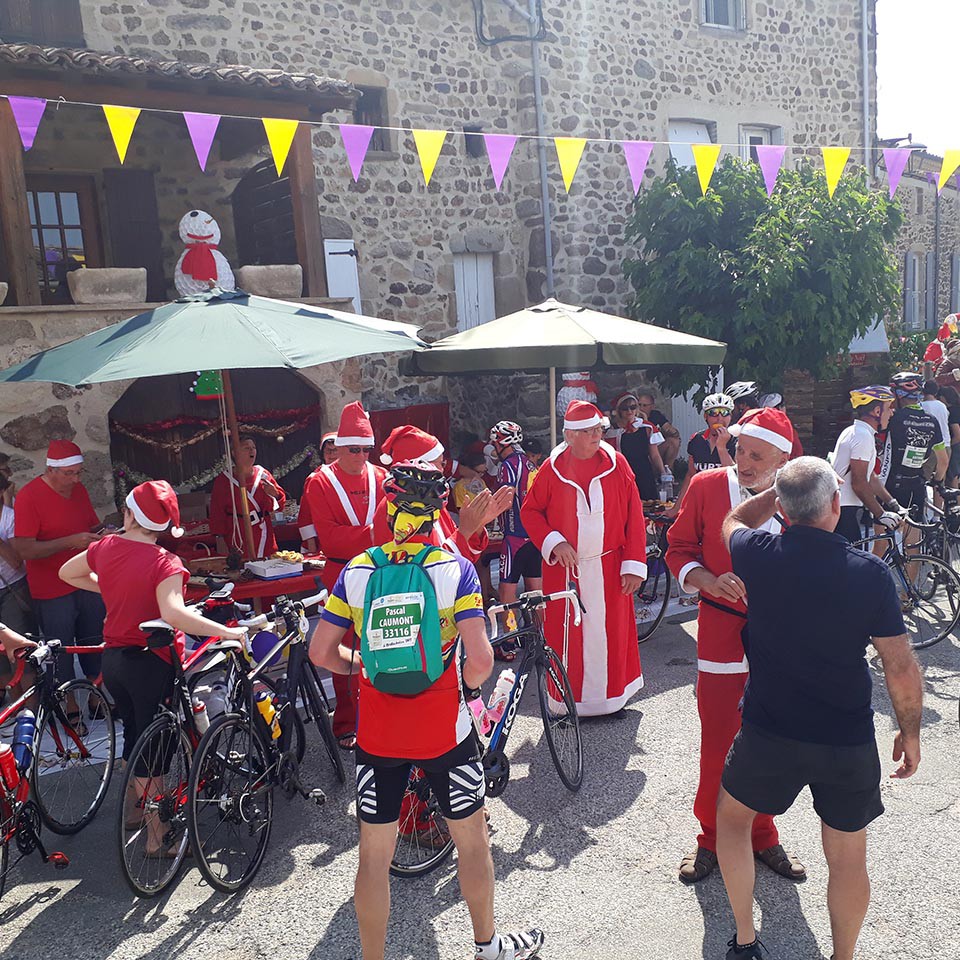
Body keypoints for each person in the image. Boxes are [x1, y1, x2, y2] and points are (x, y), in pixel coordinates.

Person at [309, 461, 544, 960]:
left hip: (377, 734)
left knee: (374, 857)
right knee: (472, 841)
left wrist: (363, 667)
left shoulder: (359, 570)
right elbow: (481, 659)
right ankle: (487, 947)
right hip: (445, 730)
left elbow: (320, 653)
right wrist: (463, 685)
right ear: (437, 513)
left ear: (387, 510)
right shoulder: (452, 569)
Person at [716, 457, 923, 960]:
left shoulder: (758, 553)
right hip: (845, 738)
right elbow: (898, 664)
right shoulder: (870, 574)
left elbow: (732, 521)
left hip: (769, 730)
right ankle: (843, 957)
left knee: (732, 821)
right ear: (836, 504)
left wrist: (777, 493)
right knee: (848, 857)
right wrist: (910, 732)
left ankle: (745, 940)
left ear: (783, 513)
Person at [59, 480, 245, 855]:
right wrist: (227, 630)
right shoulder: (165, 562)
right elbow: (173, 613)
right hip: (151, 662)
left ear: (128, 514)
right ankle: (157, 839)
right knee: (155, 753)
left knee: (135, 734)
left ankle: (133, 812)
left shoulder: (106, 546)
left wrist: (113, 587)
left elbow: (68, 573)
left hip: (114, 661)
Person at [665, 407, 805, 885]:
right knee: (719, 739)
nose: (743, 461)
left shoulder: (800, 497)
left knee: (771, 740)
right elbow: (677, 550)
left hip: (779, 642)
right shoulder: (706, 488)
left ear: (783, 459)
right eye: (740, 449)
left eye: (756, 455)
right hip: (721, 635)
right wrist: (706, 578)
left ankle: (763, 833)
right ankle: (709, 837)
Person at [521, 400, 647, 716]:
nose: (596, 436)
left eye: (598, 430)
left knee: (612, 635)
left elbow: (634, 515)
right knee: (567, 640)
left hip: (610, 565)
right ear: (571, 435)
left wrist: (633, 564)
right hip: (566, 571)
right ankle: (566, 703)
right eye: (589, 432)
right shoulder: (551, 470)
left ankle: (612, 699)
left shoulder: (617, 464)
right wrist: (555, 542)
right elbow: (531, 511)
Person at [299, 401, 386, 751]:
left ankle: (382, 712)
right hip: (341, 570)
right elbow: (330, 537)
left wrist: (372, 534)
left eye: (367, 449)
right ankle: (347, 721)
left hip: (379, 567)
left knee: (381, 640)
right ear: (338, 448)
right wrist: (376, 532)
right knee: (344, 646)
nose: (362, 456)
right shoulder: (319, 482)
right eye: (355, 449)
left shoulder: (381, 476)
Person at [13, 440, 104, 706]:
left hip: (85, 579)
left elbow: (92, 524)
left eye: (79, 472)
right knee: (60, 646)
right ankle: (70, 703)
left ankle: (95, 697)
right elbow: (24, 549)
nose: (76, 478)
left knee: (93, 637)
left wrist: (105, 534)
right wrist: (70, 542)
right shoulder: (29, 497)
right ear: (51, 470)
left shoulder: (79, 490)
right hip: (51, 587)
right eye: (69, 473)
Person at [373, 425, 513, 564]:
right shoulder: (395, 510)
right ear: (419, 467)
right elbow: (425, 566)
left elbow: (462, 556)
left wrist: (478, 524)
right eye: (440, 464)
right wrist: (466, 529)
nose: (442, 469)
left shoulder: (433, 502)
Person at [878, 373, 948, 556]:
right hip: (916, 485)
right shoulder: (931, 421)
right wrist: (937, 481)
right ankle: (912, 585)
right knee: (913, 545)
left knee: (881, 541)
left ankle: (873, 581)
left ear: (899, 395)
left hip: (890, 485)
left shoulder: (893, 419)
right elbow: (943, 461)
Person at [488, 421, 542, 645]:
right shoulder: (529, 464)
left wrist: (489, 517)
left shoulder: (507, 466)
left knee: (506, 592)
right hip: (534, 536)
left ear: (502, 443)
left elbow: (506, 499)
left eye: (494, 443)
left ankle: (510, 639)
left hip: (514, 538)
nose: (492, 448)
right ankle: (539, 636)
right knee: (535, 590)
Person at [831, 386, 902, 543]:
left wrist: (893, 503)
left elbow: (870, 476)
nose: (892, 413)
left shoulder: (856, 431)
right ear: (877, 411)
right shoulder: (862, 436)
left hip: (844, 507)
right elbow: (859, 482)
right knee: (849, 564)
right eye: (889, 408)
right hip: (844, 509)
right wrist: (880, 514)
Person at [209, 434, 286, 558]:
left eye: (253, 447)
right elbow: (217, 512)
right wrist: (220, 538)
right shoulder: (224, 480)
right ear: (234, 452)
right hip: (238, 534)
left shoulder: (263, 474)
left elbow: (280, 506)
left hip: (264, 534)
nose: (251, 451)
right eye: (246, 448)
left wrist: (275, 494)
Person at [671, 392, 737, 512]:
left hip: (726, 505)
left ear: (730, 416)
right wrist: (676, 508)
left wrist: (721, 447)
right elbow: (690, 475)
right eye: (713, 413)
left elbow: (735, 476)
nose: (719, 418)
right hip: (701, 501)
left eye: (725, 413)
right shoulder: (696, 440)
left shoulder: (737, 441)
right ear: (705, 416)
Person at [605, 392, 666, 501]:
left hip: (644, 472)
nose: (629, 411)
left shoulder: (647, 427)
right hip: (623, 475)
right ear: (619, 410)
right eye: (625, 408)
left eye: (633, 407)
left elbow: (654, 455)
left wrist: (663, 473)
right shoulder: (611, 431)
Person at [637, 389, 681, 470]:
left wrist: (669, 431)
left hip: (655, 449)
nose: (641, 408)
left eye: (644, 405)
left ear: (652, 406)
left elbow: (670, 429)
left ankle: (668, 471)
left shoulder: (656, 415)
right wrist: (645, 418)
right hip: (641, 452)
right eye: (639, 405)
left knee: (674, 441)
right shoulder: (634, 418)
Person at [758, 393, 803, 458]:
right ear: (780, 408)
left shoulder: (759, 426)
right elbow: (797, 452)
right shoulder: (785, 427)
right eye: (783, 405)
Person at [939, 384, 960, 485]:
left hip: (956, 448)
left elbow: (957, 434)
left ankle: (955, 500)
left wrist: (949, 446)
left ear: (943, 398)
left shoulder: (952, 412)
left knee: (953, 477)